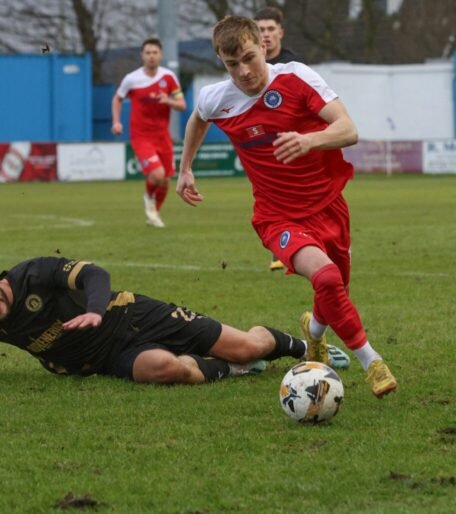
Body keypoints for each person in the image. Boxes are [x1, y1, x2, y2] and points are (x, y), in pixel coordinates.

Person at [176, 16, 397, 398]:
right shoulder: (217, 97)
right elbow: (198, 119)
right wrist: (185, 169)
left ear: (264, 46)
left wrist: (311, 140)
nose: (243, 71)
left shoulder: (296, 78)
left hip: (329, 206)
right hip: (276, 216)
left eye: (249, 58)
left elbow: (349, 129)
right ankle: (371, 362)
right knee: (326, 279)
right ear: (221, 62)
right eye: (232, 65)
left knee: (335, 289)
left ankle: (314, 335)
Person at [0, 256, 349, 383]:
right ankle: (237, 370)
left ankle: (297, 345)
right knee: (168, 370)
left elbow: (95, 274)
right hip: (109, 359)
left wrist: (95, 311)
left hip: (133, 314)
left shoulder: (36, 273)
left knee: (247, 342)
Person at [112, 37, 187, 228]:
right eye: (148, 53)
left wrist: (168, 101)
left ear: (160, 55)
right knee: (157, 175)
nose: (151, 56)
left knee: (165, 181)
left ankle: (154, 214)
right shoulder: (132, 79)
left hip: (163, 136)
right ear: (142, 55)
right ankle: (148, 198)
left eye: (155, 53)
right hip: (141, 136)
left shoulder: (168, 77)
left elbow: (182, 104)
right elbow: (117, 99)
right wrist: (116, 122)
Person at [255, 6, 302, 271]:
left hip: (294, 137)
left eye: (271, 29)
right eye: (260, 30)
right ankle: (282, 247)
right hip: (263, 143)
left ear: (280, 32)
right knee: (270, 196)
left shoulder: (295, 64)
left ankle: (297, 245)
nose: (266, 35)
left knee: (296, 193)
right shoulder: (249, 66)